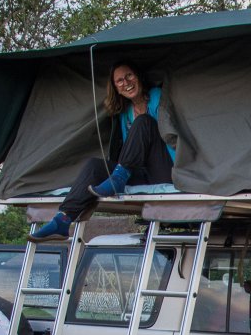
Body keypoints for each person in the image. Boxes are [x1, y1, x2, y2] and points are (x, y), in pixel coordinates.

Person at [29, 61, 176, 241]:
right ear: (116, 88)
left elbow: (167, 132)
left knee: (144, 122)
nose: (126, 82)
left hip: (166, 167)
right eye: (119, 81)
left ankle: (118, 178)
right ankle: (63, 219)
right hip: (142, 171)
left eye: (129, 76)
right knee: (94, 166)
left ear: (138, 76)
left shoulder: (156, 96)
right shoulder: (125, 113)